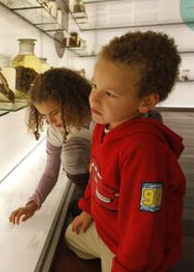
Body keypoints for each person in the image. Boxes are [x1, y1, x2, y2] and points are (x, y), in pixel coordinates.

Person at [65, 30, 186, 272]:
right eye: (94, 85)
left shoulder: (144, 151)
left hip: (131, 246)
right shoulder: (104, 124)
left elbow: (144, 223)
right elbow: (97, 175)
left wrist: (128, 265)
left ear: (146, 103)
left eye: (109, 94)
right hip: (106, 226)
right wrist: (88, 209)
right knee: (70, 236)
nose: (94, 99)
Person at [9, 67, 93, 225]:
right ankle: (85, 195)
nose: (50, 122)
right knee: (71, 154)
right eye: (44, 116)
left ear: (73, 100)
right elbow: (50, 173)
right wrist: (33, 204)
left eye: (54, 113)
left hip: (112, 175)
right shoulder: (55, 132)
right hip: (90, 175)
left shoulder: (101, 117)